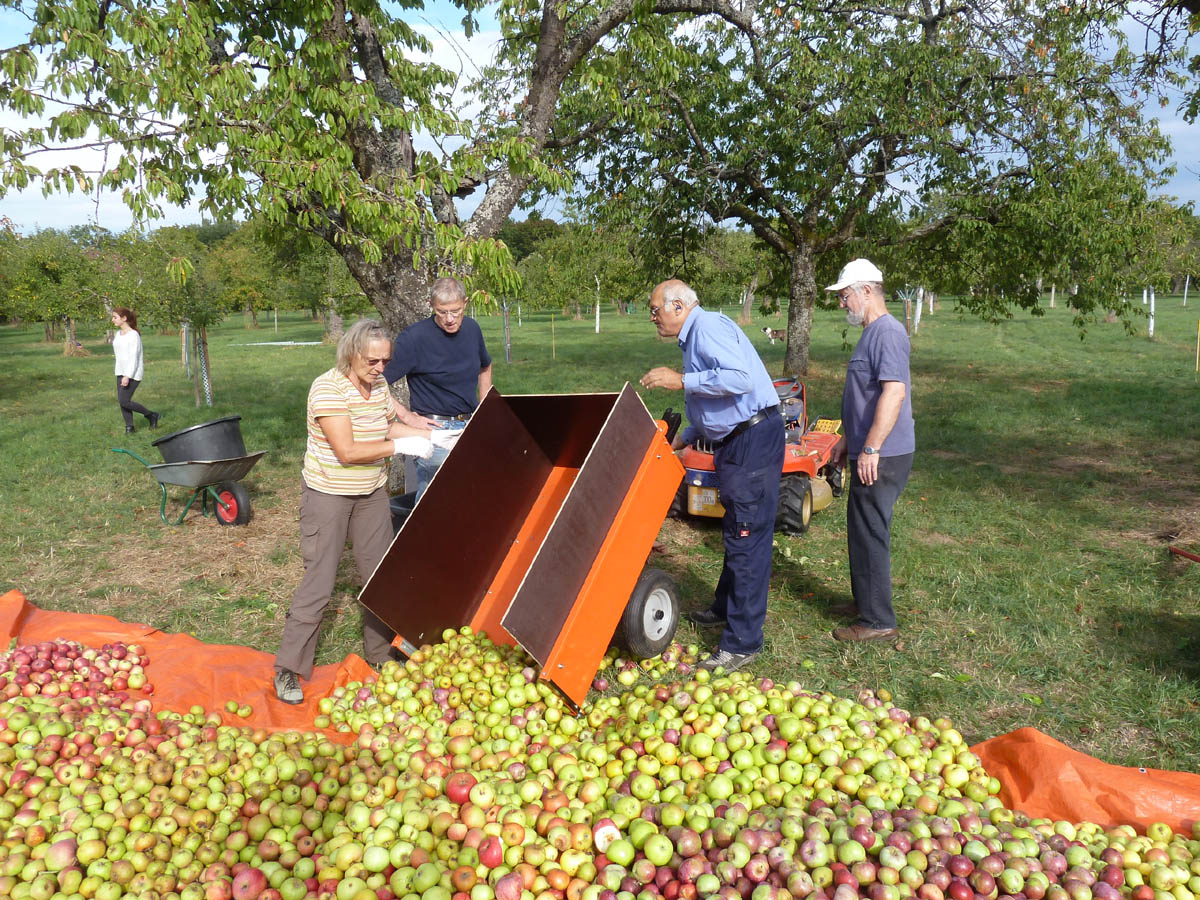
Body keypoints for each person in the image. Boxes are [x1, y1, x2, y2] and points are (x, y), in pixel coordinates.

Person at [273, 318, 458, 704]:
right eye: (373, 361)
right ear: (351, 355)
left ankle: (381, 654)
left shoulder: (378, 387)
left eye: (385, 362)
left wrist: (430, 436)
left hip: (370, 493)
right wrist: (403, 450)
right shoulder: (327, 390)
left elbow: (388, 429)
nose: (380, 369)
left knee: (379, 575)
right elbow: (349, 451)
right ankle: (288, 669)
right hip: (328, 494)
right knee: (320, 581)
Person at [640, 279, 784, 673]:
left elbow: (740, 379)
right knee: (737, 526)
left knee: (747, 537)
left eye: (656, 310)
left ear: (678, 306)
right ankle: (725, 608)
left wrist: (681, 380)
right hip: (736, 439)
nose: (653, 318)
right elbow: (719, 400)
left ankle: (743, 642)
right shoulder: (695, 335)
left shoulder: (707, 328)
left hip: (751, 440)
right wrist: (686, 436)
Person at [825, 259, 915, 642]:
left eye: (845, 296)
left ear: (866, 290)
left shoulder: (887, 333)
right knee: (861, 529)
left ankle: (878, 621)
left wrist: (872, 447)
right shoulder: (871, 332)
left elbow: (894, 393)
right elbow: (867, 395)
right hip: (868, 449)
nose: (842, 303)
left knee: (871, 531)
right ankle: (866, 601)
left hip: (884, 453)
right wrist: (850, 440)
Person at [383, 276, 493, 497]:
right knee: (435, 500)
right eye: (442, 312)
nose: (450, 319)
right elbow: (376, 380)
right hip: (434, 430)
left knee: (472, 493)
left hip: (471, 424)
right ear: (431, 304)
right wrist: (405, 416)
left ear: (465, 303)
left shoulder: (472, 329)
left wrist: (487, 407)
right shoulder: (414, 338)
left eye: (455, 311)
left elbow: (485, 366)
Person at [111, 307, 161, 434]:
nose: (113, 320)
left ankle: (151, 415)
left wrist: (127, 376)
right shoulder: (118, 334)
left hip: (132, 373)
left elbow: (134, 357)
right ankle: (129, 428)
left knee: (124, 400)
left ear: (124, 318)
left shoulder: (133, 335)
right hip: (120, 371)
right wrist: (121, 373)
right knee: (122, 401)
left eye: (115, 317)